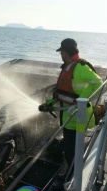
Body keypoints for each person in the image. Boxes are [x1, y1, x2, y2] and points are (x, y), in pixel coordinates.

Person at [39, 38, 103, 177]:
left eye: (61, 52)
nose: (60, 55)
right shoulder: (69, 66)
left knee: (73, 151)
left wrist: (79, 102)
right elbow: (63, 93)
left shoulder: (80, 67)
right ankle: (71, 173)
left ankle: (73, 178)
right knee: (70, 150)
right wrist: (49, 104)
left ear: (66, 53)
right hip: (69, 118)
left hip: (77, 118)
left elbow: (98, 83)